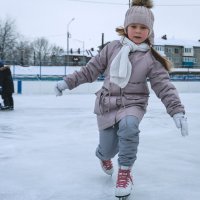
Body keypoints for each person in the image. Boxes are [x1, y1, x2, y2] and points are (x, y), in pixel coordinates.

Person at [54, 0, 188, 198]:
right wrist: (67, 82)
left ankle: (124, 172)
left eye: (143, 27)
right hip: (107, 103)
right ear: (126, 27)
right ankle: (103, 156)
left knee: (129, 126)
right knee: (107, 149)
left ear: (149, 31)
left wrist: (177, 110)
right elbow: (90, 71)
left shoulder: (151, 58)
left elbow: (163, 86)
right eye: (133, 26)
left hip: (134, 103)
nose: (137, 31)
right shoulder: (112, 48)